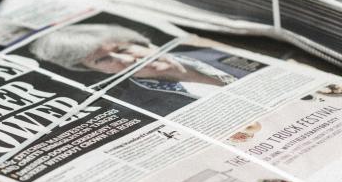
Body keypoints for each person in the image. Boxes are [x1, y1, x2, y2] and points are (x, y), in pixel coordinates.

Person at [29, 23, 247, 115]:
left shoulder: (211, 51)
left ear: (139, 41)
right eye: (103, 60)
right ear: (102, 72)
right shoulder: (137, 106)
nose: (126, 59)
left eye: (123, 48)